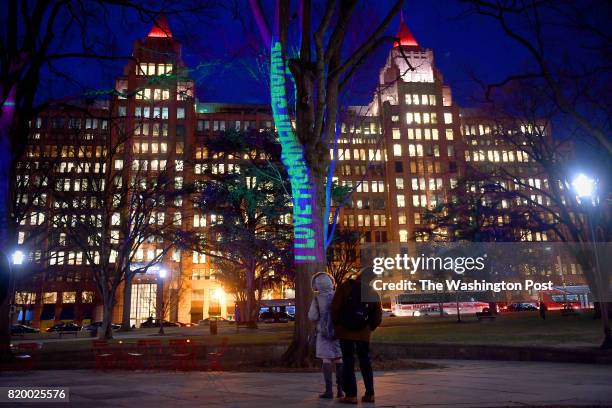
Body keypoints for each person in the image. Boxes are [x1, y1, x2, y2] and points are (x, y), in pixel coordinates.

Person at [331, 269, 382, 404]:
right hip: (363, 334)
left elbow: (335, 308)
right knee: (365, 362)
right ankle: (370, 394)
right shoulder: (372, 292)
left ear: (359, 275)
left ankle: (351, 395)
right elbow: (377, 317)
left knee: (348, 362)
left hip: (345, 332)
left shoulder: (345, 287)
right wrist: (368, 328)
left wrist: (338, 325)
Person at [308, 272, 344, 399]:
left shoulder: (317, 299)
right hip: (338, 332)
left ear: (316, 285)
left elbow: (312, 316)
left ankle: (329, 391)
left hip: (323, 333)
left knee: (326, 359)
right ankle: (341, 390)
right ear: (331, 282)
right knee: (339, 358)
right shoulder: (338, 295)